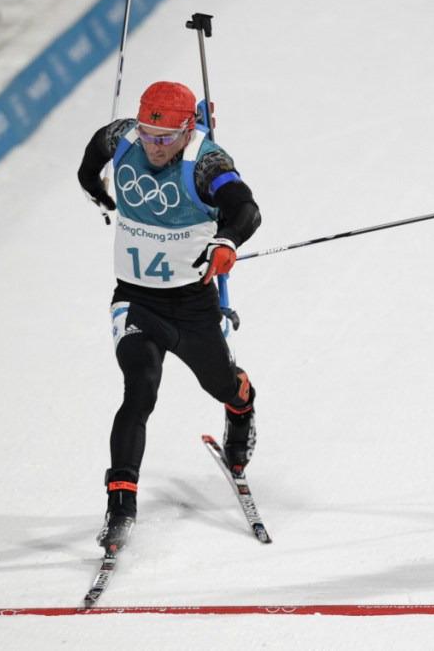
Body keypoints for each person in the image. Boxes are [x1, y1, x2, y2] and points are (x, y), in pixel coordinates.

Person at [76, 81, 262, 553]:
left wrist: (227, 240)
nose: (154, 147)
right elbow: (95, 148)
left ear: (187, 130)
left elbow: (245, 207)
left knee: (222, 384)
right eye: (148, 135)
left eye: (166, 138)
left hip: (194, 307)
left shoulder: (206, 162)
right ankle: (120, 508)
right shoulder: (126, 138)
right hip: (136, 300)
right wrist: (93, 188)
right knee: (139, 386)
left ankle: (241, 410)